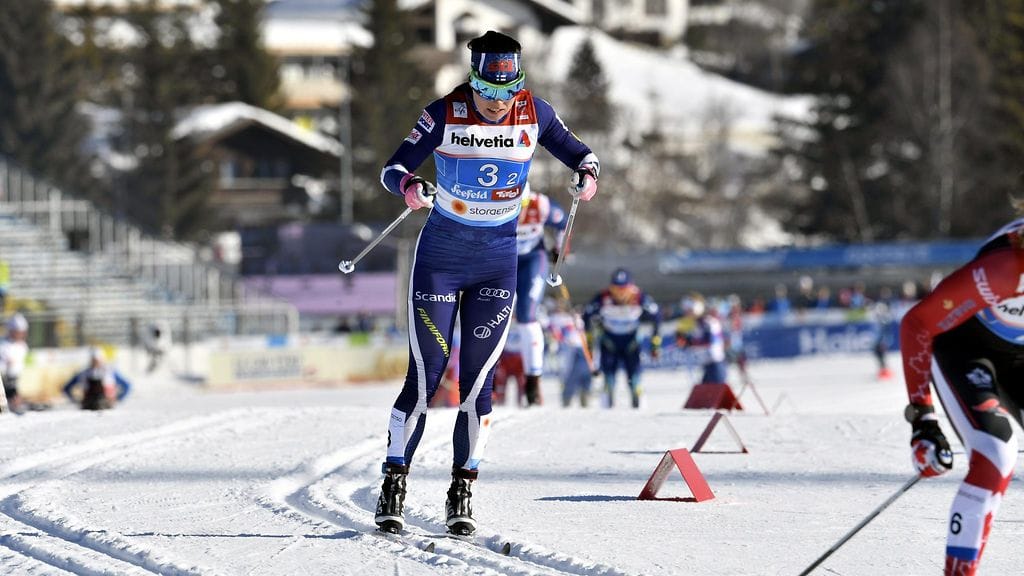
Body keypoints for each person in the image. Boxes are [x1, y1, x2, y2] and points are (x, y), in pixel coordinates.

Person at [373, 30, 600, 537]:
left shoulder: (534, 112)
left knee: (479, 387)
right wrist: (409, 188)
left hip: (497, 267)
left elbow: (582, 154)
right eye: (488, 93)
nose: (498, 104)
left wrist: (587, 173)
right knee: (426, 379)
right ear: (472, 81)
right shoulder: (443, 113)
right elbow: (393, 168)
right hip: (441, 261)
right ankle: (394, 481)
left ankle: (462, 488)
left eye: (507, 92)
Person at [899, 216, 1024, 576]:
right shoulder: (1005, 269)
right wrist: (923, 422)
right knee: (997, 453)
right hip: (966, 347)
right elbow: (918, 323)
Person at [514, 183, 567, 406]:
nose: (520, 211)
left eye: (523, 205)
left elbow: (564, 222)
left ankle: (533, 381)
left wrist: (560, 249)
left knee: (527, 315)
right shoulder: (495, 202)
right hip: (501, 259)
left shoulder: (541, 204)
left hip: (532, 259)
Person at [583, 268, 660, 408]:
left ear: (631, 287)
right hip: (609, 341)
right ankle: (607, 406)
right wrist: (589, 339)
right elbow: (586, 316)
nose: (620, 293)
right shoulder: (603, 297)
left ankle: (638, 405)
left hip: (631, 342)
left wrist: (655, 342)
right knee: (609, 377)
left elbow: (657, 317)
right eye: (616, 289)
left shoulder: (640, 297)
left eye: (624, 289)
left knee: (634, 377)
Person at [62, 348, 132, 410]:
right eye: (93, 360)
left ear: (101, 359)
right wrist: (75, 400)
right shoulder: (83, 373)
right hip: (88, 405)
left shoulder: (110, 372)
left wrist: (119, 399)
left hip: (107, 405)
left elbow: (127, 385)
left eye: (97, 360)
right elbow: (66, 388)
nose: (95, 362)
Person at [0, 313, 29, 414]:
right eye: (19, 332)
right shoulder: (2, 345)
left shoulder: (23, 347)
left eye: (23, 332)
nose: (21, 335)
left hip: (13, 384)